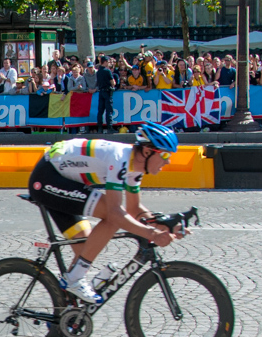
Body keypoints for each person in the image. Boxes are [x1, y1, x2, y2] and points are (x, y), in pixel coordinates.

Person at [26, 122, 180, 303]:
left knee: (85, 248)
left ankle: (67, 314)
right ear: (147, 152)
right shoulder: (119, 158)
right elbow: (115, 214)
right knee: (113, 215)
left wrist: (167, 225)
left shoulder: (134, 168)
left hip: (65, 181)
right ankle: (74, 279)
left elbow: (134, 210)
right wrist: (151, 233)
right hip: (47, 178)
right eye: (165, 154)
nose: (168, 160)